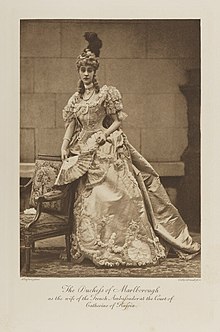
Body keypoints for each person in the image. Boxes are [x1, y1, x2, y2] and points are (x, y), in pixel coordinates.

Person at [54, 32, 200, 267]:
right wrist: (64, 144)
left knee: (121, 195)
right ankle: (92, 245)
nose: (86, 74)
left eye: (90, 70)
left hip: (106, 147)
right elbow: (71, 126)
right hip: (84, 151)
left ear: (95, 72)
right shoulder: (75, 100)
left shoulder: (106, 94)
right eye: (82, 70)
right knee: (88, 200)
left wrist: (104, 134)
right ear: (79, 72)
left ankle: (124, 243)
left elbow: (116, 120)